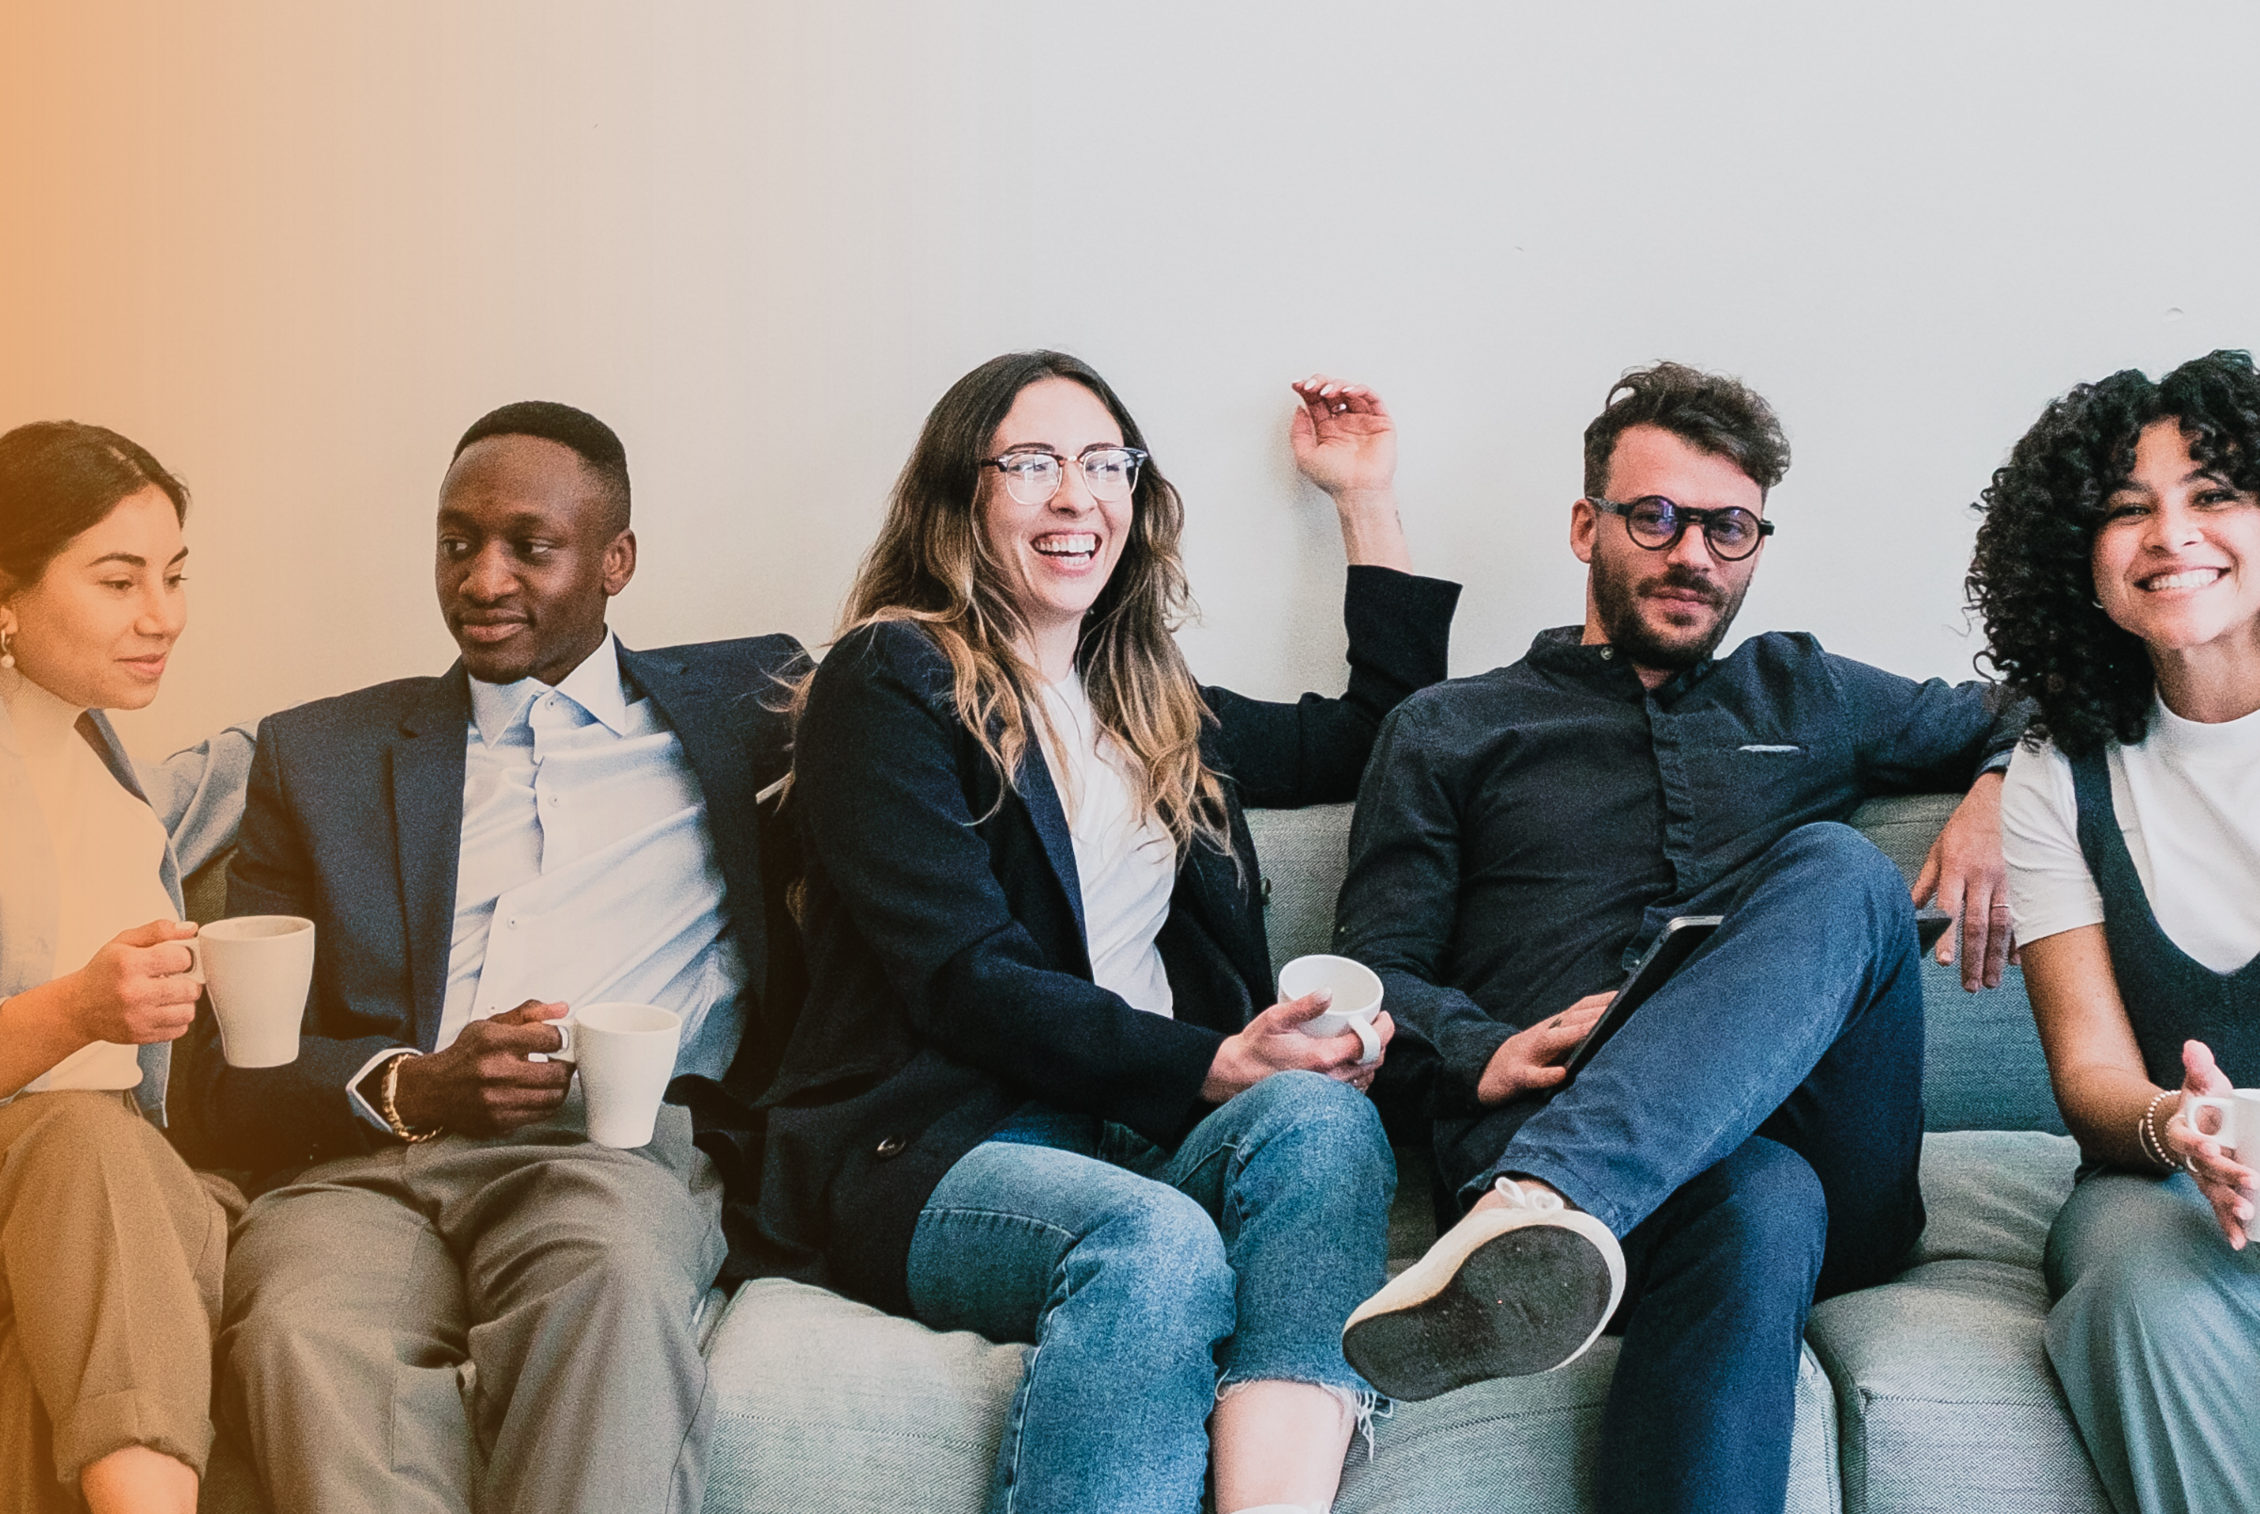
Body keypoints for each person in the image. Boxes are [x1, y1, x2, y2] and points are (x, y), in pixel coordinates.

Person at [737, 351, 1458, 1514]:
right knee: (1158, 1244)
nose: (1076, 496)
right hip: (932, 1149)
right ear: (958, 497)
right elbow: (961, 975)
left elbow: (1384, 736)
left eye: (1102, 463)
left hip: (1133, 1133)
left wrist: (1362, 500)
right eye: (1030, 464)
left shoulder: (1149, 701)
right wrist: (1213, 1063)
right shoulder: (889, 679)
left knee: (1326, 1125)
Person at [1332, 362, 2027, 1514]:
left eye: (1728, 527)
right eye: (1654, 516)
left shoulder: (1807, 689)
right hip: (1566, 1116)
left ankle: (1546, 1200)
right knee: (1757, 1199)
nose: (1692, 553)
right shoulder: (1448, 729)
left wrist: (2004, 787)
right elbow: (1375, 975)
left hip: (1804, 1133)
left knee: (1842, 869)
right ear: (1584, 525)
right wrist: (1476, 1048)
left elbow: (2044, 697)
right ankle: (1550, 1208)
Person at [181, 401, 804, 1514]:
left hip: (607, 1155)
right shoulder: (316, 755)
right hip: (367, 1171)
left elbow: (982, 694)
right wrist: (409, 1082)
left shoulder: (752, 709)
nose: (481, 580)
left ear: (615, 561)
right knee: (296, 1328)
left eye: (531, 545)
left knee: (608, 1291)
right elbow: (221, 1078)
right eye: (457, 540)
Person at [1971, 349, 2260, 1514]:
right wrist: (2178, 1126)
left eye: (2212, 493)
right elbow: (2089, 1072)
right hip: (2163, 1186)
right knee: (2138, 1285)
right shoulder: (2055, 774)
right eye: (2125, 511)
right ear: (2077, 563)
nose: (2169, 534)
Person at [0, 421, 255, 1514]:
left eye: (173, 576)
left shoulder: (118, 774)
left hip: (132, 1195)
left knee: (118, 1198)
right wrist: (76, 1011)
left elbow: (262, 757)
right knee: (82, 1147)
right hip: (53, 1166)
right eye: (118, 580)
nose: (163, 616)